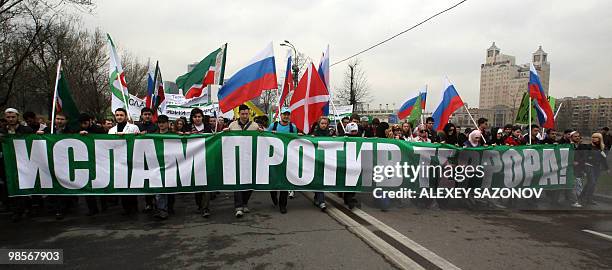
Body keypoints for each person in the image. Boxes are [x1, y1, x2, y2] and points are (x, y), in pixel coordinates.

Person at [226, 104, 262, 218]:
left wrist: (262, 132)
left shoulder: (254, 126)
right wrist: (225, 132)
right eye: (243, 114)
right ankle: (238, 207)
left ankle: (245, 202)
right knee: (237, 183)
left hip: (250, 158)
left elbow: (263, 137)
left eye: (247, 113)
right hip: (236, 159)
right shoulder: (232, 125)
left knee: (250, 183)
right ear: (239, 114)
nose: (245, 116)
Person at [0, 108, 34, 222]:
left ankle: (28, 208)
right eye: (8, 117)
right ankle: (16, 211)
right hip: (8, 164)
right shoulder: (2, 132)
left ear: (17, 117)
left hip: (24, 163)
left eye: (13, 117)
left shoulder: (26, 130)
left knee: (25, 186)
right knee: (11, 186)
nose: (10, 119)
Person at [108, 108, 141, 215]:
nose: (119, 117)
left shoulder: (133, 127)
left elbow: (139, 141)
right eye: (117, 115)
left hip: (131, 159)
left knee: (132, 184)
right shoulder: (112, 130)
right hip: (118, 160)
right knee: (122, 184)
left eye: (121, 115)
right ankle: (126, 208)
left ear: (126, 116)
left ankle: (134, 206)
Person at [76, 113, 108, 216]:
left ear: (90, 121)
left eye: (85, 123)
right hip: (85, 162)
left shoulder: (99, 130)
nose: (84, 125)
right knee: (88, 185)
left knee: (101, 183)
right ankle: (92, 208)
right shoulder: (78, 129)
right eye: (82, 124)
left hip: (99, 161)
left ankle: (104, 206)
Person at [267, 107, 298, 214]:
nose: (286, 116)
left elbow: (295, 141)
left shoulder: (292, 127)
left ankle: (283, 205)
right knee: (274, 181)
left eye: (288, 114)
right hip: (274, 158)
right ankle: (273, 194)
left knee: (285, 181)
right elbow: (265, 138)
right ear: (281, 115)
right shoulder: (273, 125)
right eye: (284, 114)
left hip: (287, 158)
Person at [187, 108, 214, 217]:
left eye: (199, 116)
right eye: (195, 117)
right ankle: (200, 205)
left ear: (202, 117)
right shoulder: (188, 128)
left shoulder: (208, 127)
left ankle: (206, 208)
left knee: (206, 185)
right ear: (192, 118)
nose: (197, 119)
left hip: (206, 158)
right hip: (193, 159)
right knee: (197, 185)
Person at [153, 115, 176, 220]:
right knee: (159, 189)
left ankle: (168, 207)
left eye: (163, 122)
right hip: (157, 165)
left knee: (169, 189)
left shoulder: (173, 135)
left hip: (170, 165)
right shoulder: (153, 136)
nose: (161, 124)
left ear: (168, 123)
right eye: (159, 122)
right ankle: (162, 210)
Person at [580, 133, 610, 205]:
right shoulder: (588, 147)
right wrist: (589, 160)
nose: (594, 138)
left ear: (600, 139)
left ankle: (582, 196)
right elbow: (585, 157)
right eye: (593, 137)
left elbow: (603, 159)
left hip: (597, 167)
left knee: (591, 183)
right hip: (589, 166)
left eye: (596, 137)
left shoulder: (602, 148)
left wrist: (607, 168)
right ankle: (588, 199)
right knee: (592, 182)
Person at [311, 116, 332, 211]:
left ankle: (317, 198)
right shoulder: (314, 134)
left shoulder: (330, 134)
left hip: (327, 160)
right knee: (319, 179)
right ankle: (322, 201)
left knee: (322, 180)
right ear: (319, 124)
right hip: (316, 160)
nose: (324, 125)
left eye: (325, 123)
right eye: (322, 123)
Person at [342, 122, 360, 209]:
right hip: (346, 163)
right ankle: (349, 198)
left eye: (355, 131)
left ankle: (349, 197)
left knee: (354, 181)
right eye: (352, 131)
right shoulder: (343, 138)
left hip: (355, 163)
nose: (354, 133)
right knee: (348, 181)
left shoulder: (359, 139)